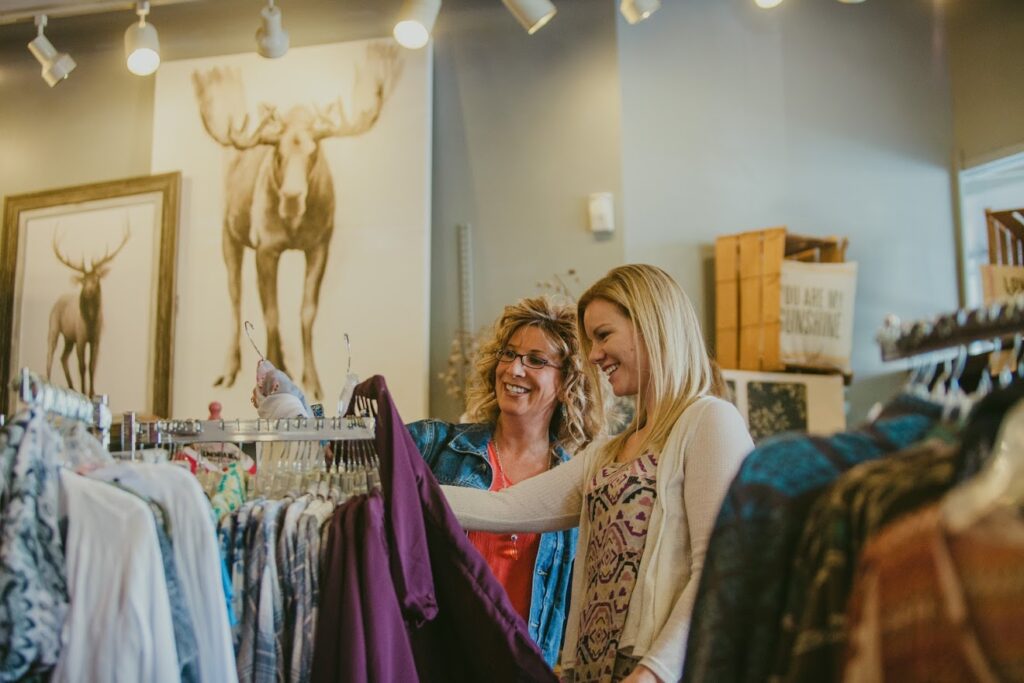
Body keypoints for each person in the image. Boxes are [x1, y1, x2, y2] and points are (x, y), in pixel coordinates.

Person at [442, 264, 754, 683]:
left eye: (603, 335)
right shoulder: (607, 453)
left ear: (652, 325)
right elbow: (505, 506)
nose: (592, 355)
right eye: (591, 341)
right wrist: (394, 485)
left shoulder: (710, 421)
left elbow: (723, 569)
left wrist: (653, 673)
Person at [407, 296, 602, 668]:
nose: (514, 369)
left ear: (566, 382)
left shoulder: (575, 482)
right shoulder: (437, 444)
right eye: (509, 354)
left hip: (525, 668)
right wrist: (300, 412)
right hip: (441, 664)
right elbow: (355, 447)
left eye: (536, 360)